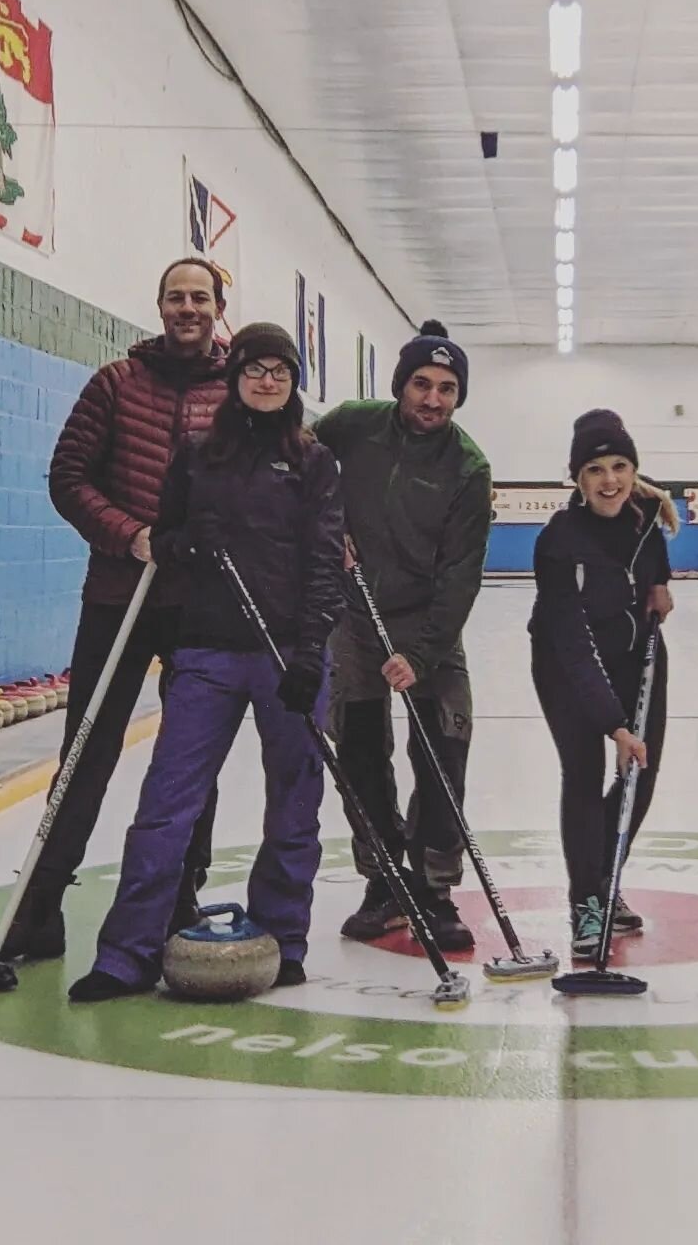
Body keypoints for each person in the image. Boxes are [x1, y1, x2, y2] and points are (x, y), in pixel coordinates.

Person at [0, 259, 231, 968]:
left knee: (189, 760)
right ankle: (38, 913)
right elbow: (68, 477)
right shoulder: (115, 384)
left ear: (219, 307)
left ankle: (178, 902)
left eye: (200, 297)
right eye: (175, 297)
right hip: (118, 596)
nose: (186, 307)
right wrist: (129, 535)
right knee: (86, 752)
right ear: (158, 305)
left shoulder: (239, 391)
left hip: (200, 606)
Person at [68, 324, 342, 1001]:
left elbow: (325, 564)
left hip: (288, 657)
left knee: (294, 806)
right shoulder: (195, 455)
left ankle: (285, 936)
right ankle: (127, 952)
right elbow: (167, 538)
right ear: (236, 376)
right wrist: (188, 543)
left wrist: (311, 655)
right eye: (256, 368)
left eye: (281, 370)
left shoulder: (313, 460)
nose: (268, 380)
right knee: (167, 804)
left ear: (293, 381)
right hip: (208, 652)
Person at [314, 320, 492, 953]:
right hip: (355, 622)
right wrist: (324, 519)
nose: (433, 399)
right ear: (401, 385)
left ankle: (434, 887)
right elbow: (298, 454)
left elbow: (461, 575)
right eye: (422, 384)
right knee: (360, 755)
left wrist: (422, 654)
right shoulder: (354, 424)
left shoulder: (468, 467)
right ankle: (385, 880)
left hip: (429, 628)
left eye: (447, 388)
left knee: (444, 751)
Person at [529, 411, 677, 958]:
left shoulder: (646, 523)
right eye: (595, 469)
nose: (609, 480)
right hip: (566, 667)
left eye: (619, 466)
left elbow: (653, 570)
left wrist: (660, 587)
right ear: (578, 478)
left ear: (634, 469)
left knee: (642, 775)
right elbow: (571, 639)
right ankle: (585, 902)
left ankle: (605, 875)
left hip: (638, 659)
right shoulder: (558, 541)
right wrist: (614, 723)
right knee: (586, 774)